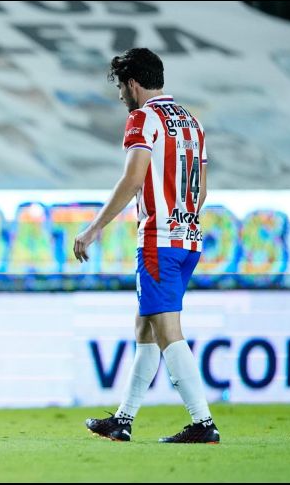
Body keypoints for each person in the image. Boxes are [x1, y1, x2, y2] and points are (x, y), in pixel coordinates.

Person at [74, 48, 220, 444]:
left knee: (168, 331)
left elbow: (133, 178)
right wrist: (181, 218)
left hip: (158, 241)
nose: (121, 96)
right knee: (146, 327)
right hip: (188, 239)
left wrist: (93, 228)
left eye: (121, 88)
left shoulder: (143, 119)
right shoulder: (192, 122)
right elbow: (201, 190)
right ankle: (122, 419)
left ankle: (203, 423)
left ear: (133, 84)